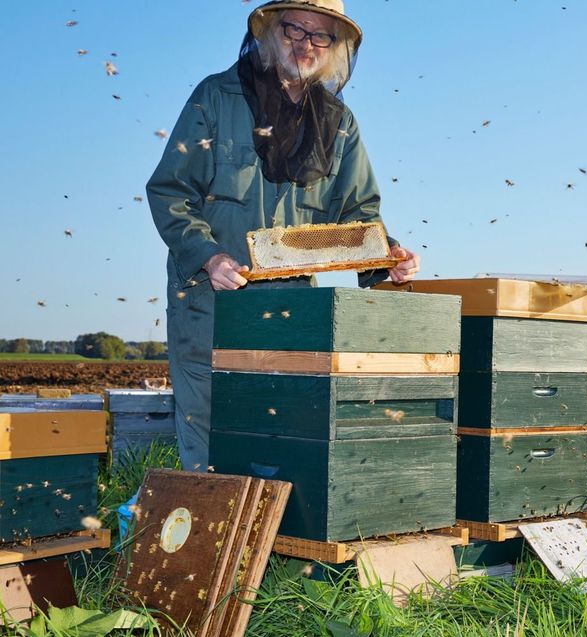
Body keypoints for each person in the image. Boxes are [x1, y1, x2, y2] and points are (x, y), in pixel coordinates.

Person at [147, 0, 419, 472]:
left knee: (279, 436)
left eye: (320, 36)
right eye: (295, 29)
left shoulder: (339, 122)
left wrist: (386, 258)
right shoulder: (215, 97)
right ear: (272, 31)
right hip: (209, 300)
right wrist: (208, 256)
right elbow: (170, 190)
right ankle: (215, 544)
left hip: (290, 309)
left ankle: (275, 542)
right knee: (209, 438)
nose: (306, 44)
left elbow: (357, 213)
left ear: (335, 48)